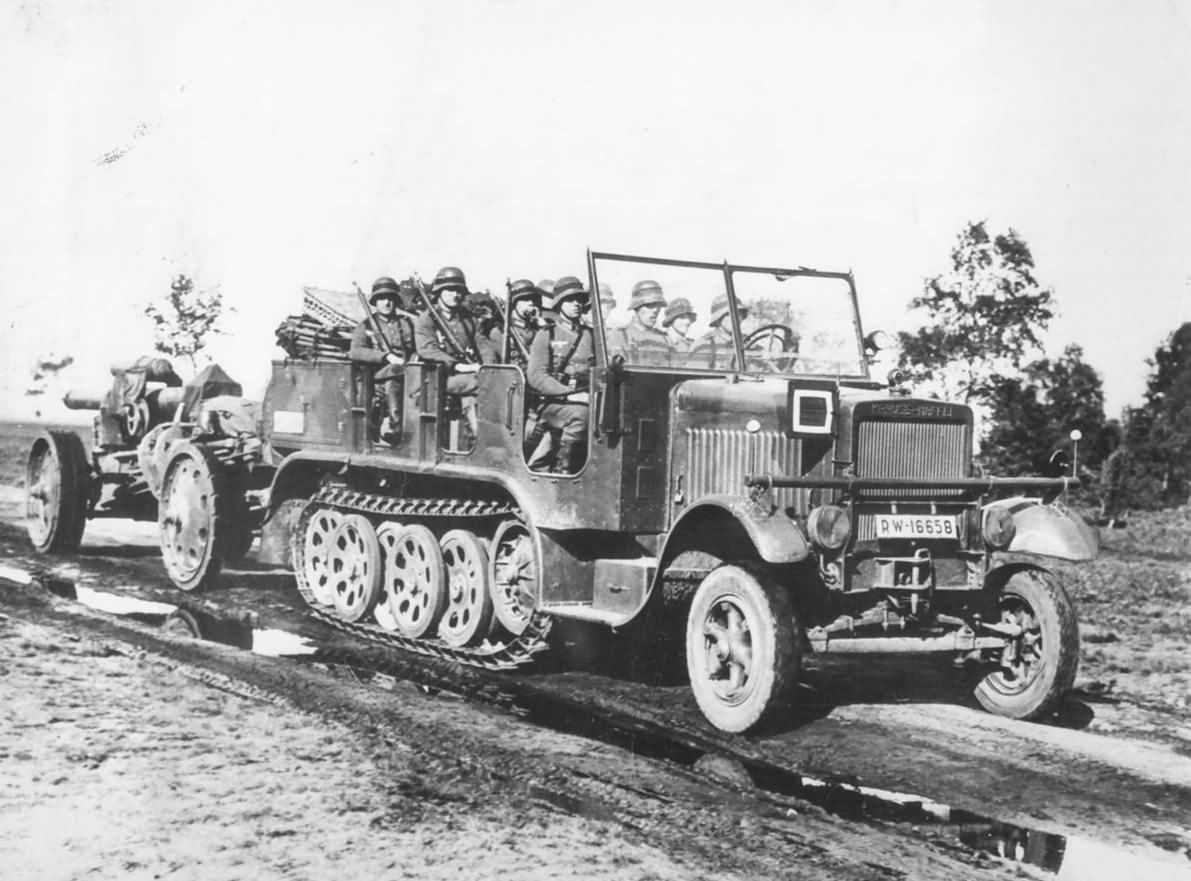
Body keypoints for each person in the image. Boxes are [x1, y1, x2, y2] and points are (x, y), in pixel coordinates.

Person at [413, 266, 496, 438]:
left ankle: (476, 439)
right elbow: (427, 349)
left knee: (487, 384)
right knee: (477, 382)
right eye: (449, 290)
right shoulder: (426, 319)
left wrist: (490, 367)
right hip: (434, 379)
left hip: (464, 379)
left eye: (458, 290)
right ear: (439, 292)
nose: (455, 295)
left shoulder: (468, 319)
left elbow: (483, 344)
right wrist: (458, 366)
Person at [526, 276, 593, 474]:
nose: (576, 304)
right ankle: (563, 471)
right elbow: (537, 375)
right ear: (559, 304)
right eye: (570, 300)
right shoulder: (547, 333)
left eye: (580, 300)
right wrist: (569, 394)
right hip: (553, 401)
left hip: (586, 396)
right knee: (582, 416)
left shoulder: (591, 335)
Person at [349, 276, 416, 442]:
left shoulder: (407, 324)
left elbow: (417, 348)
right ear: (375, 302)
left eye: (390, 299)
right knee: (391, 383)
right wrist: (385, 356)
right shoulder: (366, 326)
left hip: (408, 374)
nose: (386, 303)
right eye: (381, 299)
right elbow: (355, 352)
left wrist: (414, 359)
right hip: (377, 378)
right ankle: (395, 427)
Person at [613, 280, 669, 364]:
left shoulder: (665, 339)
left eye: (658, 305)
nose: (655, 310)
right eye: (649, 305)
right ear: (636, 307)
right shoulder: (621, 335)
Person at [698, 293, 749, 368]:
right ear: (718, 319)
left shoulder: (749, 342)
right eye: (729, 314)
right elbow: (695, 378)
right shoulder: (704, 345)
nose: (736, 318)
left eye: (739, 313)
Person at [502, 278, 543, 370]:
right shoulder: (501, 330)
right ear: (513, 303)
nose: (531, 303)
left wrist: (543, 329)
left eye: (533, 299)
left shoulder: (537, 328)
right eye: (525, 299)